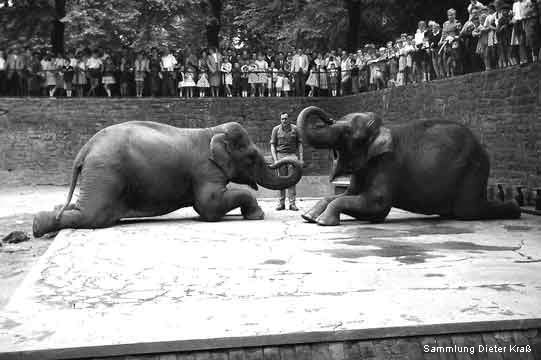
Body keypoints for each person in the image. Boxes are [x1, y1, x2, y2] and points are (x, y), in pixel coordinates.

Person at [270, 112, 303, 211]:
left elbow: (300, 144)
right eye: (282, 119)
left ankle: (292, 204)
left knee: (292, 180)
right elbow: (272, 145)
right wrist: (276, 159)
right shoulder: (276, 129)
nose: (284, 120)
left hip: (292, 155)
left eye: (286, 119)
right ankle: (281, 203)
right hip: (281, 156)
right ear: (280, 120)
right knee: (281, 180)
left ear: (289, 119)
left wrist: (301, 158)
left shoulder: (295, 129)